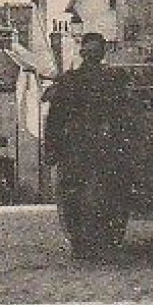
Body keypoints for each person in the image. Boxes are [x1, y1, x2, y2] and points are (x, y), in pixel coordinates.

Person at [43, 33, 134, 258]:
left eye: (94, 52)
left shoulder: (79, 80)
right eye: (90, 52)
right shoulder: (106, 80)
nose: (92, 57)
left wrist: (52, 149)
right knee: (88, 195)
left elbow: (54, 119)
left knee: (99, 194)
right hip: (90, 147)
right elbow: (56, 118)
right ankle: (93, 241)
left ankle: (94, 241)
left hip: (93, 147)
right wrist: (52, 148)